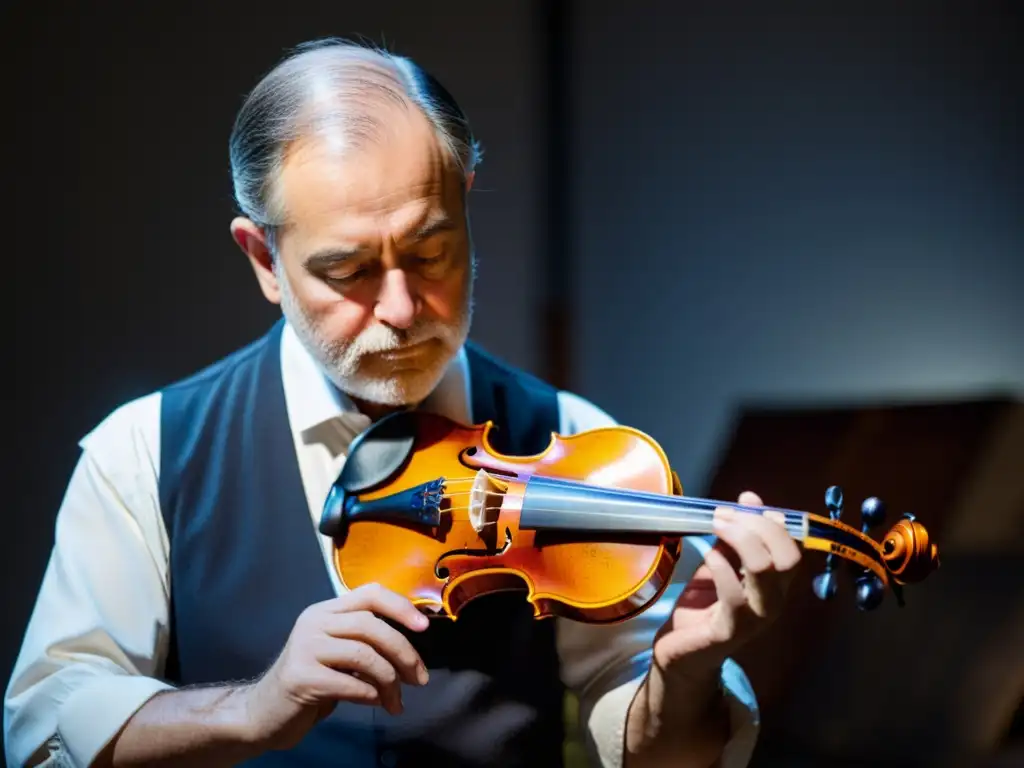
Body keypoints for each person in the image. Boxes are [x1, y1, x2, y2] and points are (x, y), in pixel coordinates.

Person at [4, 38, 801, 768]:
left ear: (465, 201)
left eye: (432, 251)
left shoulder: (577, 442)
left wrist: (683, 674)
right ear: (265, 261)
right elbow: (45, 731)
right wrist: (253, 710)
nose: (400, 307)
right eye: (348, 270)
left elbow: (661, 753)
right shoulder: (143, 454)